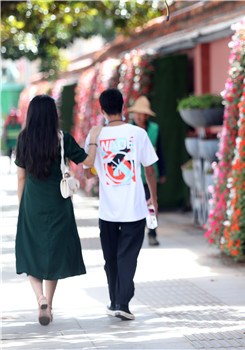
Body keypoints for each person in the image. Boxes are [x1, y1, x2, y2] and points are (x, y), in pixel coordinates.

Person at [15, 95, 102, 325]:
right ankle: (50, 306)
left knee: (31, 252)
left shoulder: (24, 140)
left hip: (32, 204)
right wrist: (93, 139)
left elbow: (21, 178)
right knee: (53, 254)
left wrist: (22, 207)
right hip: (58, 204)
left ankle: (40, 298)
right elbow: (89, 162)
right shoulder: (63, 139)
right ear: (53, 115)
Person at [84, 88, 158, 321]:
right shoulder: (137, 133)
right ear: (123, 107)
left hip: (107, 210)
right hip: (134, 209)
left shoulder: (95, 135)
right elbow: (149, 169)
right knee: (127, 256)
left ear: (102, 109)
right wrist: (153, 199)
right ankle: (122, 302)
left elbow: (87, 174)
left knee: (111, 258)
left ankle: (116, 300)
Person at [128, 96, 166, 246]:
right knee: (135, 206)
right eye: (136, 113)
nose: (138, 116)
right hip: (133, 175)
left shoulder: (154, 129)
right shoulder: (128, 129)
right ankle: (134, 235)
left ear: (147, 115)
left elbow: (160, 152)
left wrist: (162, 172)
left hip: (150, 174)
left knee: (151, 205)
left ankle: (152, 233)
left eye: (142, 113)